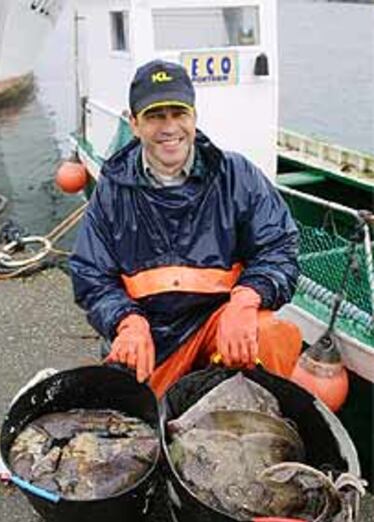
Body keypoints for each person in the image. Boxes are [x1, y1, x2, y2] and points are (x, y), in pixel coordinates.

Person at [69, 59, 302, 398]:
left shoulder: (237, 175)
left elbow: (279, 248)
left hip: (217, 328)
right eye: (154, 116)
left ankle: (257, 428)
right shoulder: (112, 190)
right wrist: (126, 321)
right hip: (151, 340)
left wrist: (246, 300)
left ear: (193, 117)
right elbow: (90, 273)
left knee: (266, 331)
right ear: (134, 124)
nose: (169, 127)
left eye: (178, 114)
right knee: (128, 419)